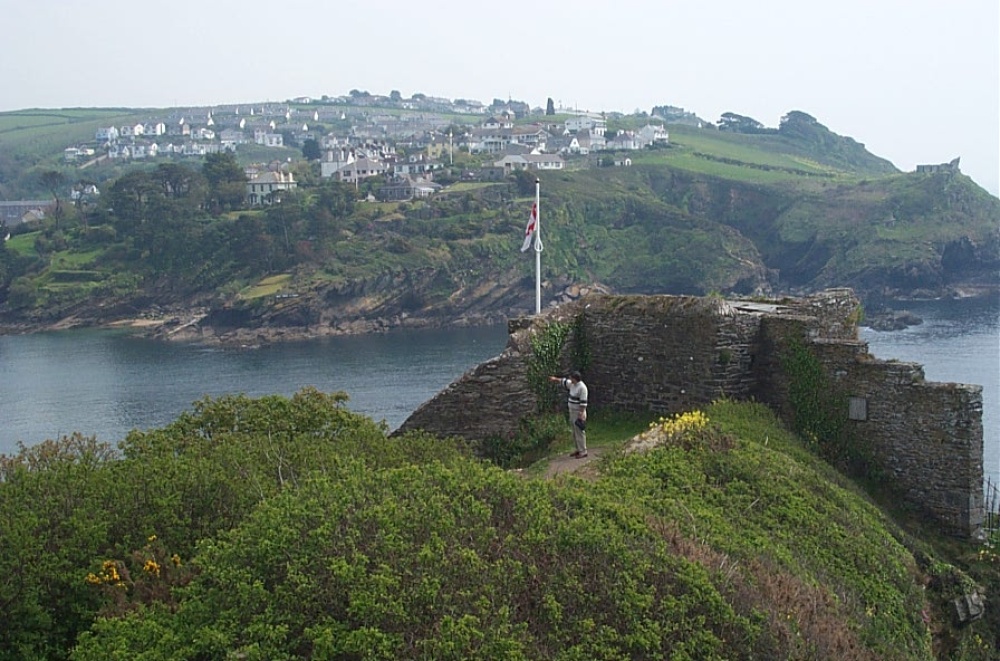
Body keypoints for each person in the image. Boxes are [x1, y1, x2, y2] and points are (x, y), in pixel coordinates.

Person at [548, 370, 588, 458]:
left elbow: (583, 403)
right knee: (574, 431)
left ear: (575, 379)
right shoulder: (572, 384)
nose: (570, 379)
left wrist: (581, 414)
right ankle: (578, 449)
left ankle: (583, 451)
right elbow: (563, 381)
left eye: (571, 378)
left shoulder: (582, 388)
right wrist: (554, 379)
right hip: (572, 411)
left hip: (578, 412)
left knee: (579, 432)